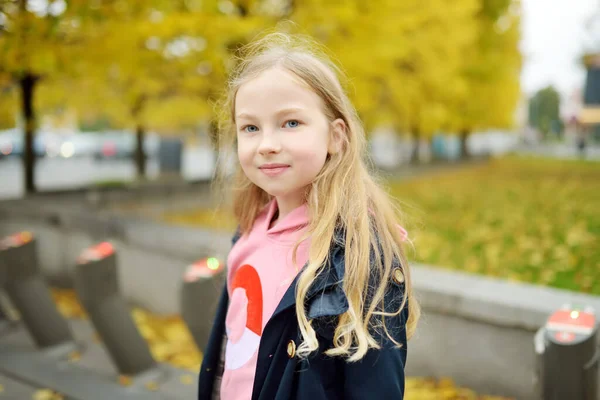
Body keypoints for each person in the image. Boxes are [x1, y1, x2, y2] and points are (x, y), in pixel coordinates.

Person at [198, 32, 420, 400]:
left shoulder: (358, 255)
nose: (267, 144)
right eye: (250, 128)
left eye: (290, 123)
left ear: (336, 137)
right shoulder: (250, 231)